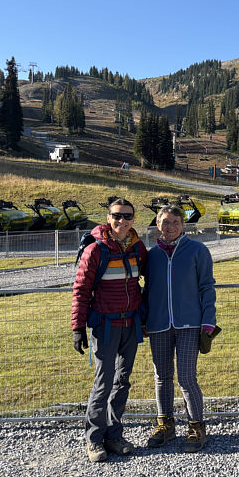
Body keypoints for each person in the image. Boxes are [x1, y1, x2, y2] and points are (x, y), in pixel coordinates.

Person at [71, 198, 148, 463]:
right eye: (117, 216)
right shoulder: (96, 250)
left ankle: (115, 435)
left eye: (127, 216)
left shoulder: (138, 248)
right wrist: (78, 327)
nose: (121, 221)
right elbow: (81, 290)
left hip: (130, 325)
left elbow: (148, 282)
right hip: (105, 327)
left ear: (133, 220)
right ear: (108, 217)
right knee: (103, 384)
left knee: (122, 382)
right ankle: (94, 439)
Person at [142, 205, 217, 452]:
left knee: (186, 377)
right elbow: (146, 290)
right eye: (165, 222)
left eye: (175, 221)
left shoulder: (197, 250)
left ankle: (196, 426)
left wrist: (209, 319)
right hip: (159, 324)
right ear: (158, 224)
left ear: (183, 225)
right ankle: (165, 424)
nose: (170, 226)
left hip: (190, 324)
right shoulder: (151, 255)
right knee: (162, 377)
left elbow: (207, 286)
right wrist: (144, 320)